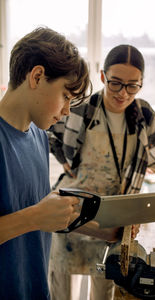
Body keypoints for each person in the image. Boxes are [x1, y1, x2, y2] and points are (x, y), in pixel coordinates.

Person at [48, 43, 155, 300]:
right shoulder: (80, 107)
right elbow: (47, 132)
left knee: (104, 290)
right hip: (71, 219)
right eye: (115, 83)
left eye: (133, 85)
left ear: (141, 83)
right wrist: (64, 158)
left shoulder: (144, 117)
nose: (123, 93)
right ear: (103, 77)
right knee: (61, 291)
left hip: (113, 225)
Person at [0, 26, 102, 300]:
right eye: (66, 96)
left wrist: (106, 228)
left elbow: (38, 212)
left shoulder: (38, 137)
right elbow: (33, 216)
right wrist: (34, 217)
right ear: (36, 76)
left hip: (33, 289)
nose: (67, 111)